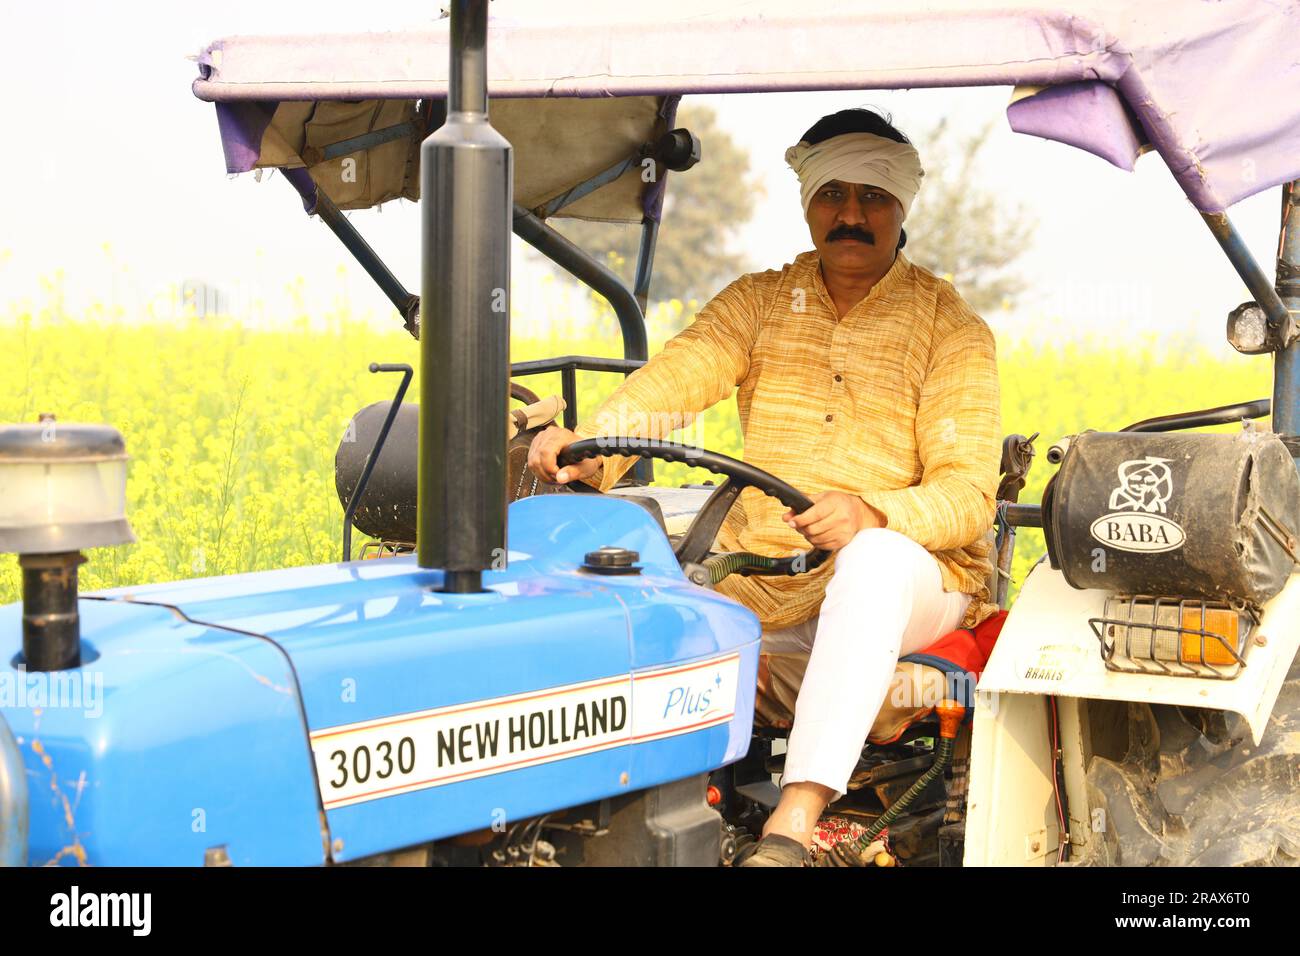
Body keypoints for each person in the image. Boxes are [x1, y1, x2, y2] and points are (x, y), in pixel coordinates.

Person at [527, 108, 1001, 866]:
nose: (850, 214)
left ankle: (794, 823)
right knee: (621, 590)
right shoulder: (760, 302)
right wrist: (593, 448)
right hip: (767, 585)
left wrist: (874, 514)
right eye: (832, 194)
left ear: (903, 204)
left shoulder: (950, 327)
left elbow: (970, 493)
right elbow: (678, 375)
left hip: (914, 582)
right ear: (808, 201)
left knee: (874, 560)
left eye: (872, 197)